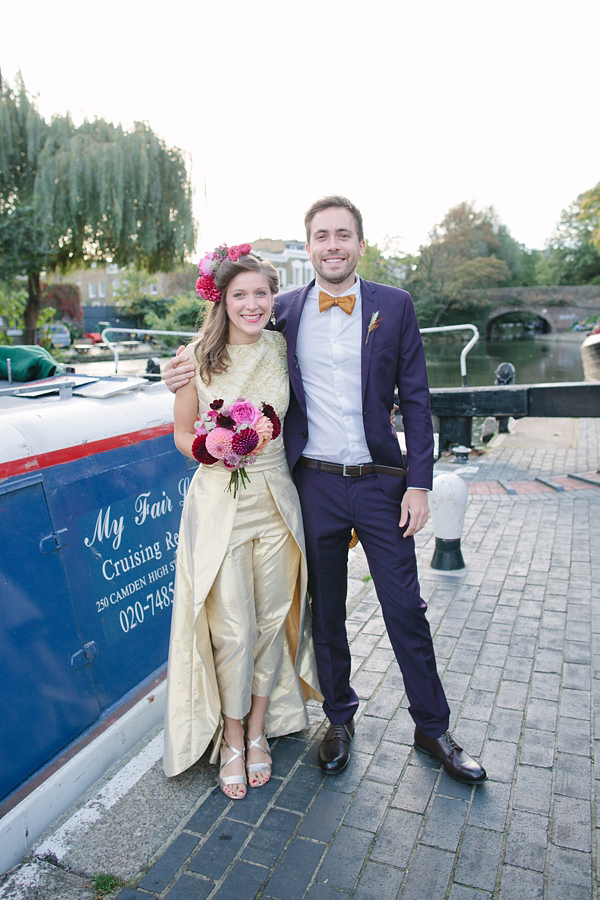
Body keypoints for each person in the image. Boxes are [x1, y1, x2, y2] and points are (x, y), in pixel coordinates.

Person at [164, 198, 486, 785]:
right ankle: (338, 718)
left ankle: (433, 726)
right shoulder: (281, 312)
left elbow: (416, 401)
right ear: (308, 247)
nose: (332, 245)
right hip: (311, 484)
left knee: (405, 609)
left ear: (360, 244)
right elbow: (223, 342)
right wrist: (174, 372)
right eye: (321, 236)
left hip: (381, 484)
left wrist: (419, 483)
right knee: (325, 610)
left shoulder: (395, 305)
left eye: (343, 235)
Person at [163, 245, 321, 800]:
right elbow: (181, 435)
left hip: (278, 503)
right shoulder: (194, 360)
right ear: (221, 300)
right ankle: (229, 736)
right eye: (240, 295)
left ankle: (258, 731)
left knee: (271, 620)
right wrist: (211, 445)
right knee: (231, 628)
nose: (252, 305)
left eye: (261, 294)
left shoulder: (284, 346)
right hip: (219, 508)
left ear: (273, 298)